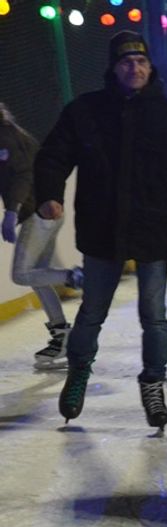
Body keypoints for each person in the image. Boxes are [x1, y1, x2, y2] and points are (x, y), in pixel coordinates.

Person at [35, 31, 167, 430]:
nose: (135, 68)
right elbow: (53, 154)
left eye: (142, 62)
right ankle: (79, 370)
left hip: (155, 231)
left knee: (154, 316)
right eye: (126, 62)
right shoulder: (86, 111)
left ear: (151, 68)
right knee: (92, 312)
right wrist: (48, 193)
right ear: (113, 68)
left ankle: (153, 383)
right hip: (102, 231)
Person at [1, 102, 83, 369]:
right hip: (46, 211)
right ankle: (63, 337)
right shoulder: (12, 132)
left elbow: (22, 175)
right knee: (38, 276)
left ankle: (76, 277)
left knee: (21, 274)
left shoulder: (5, 137)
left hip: (39, 212)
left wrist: (11, 210)